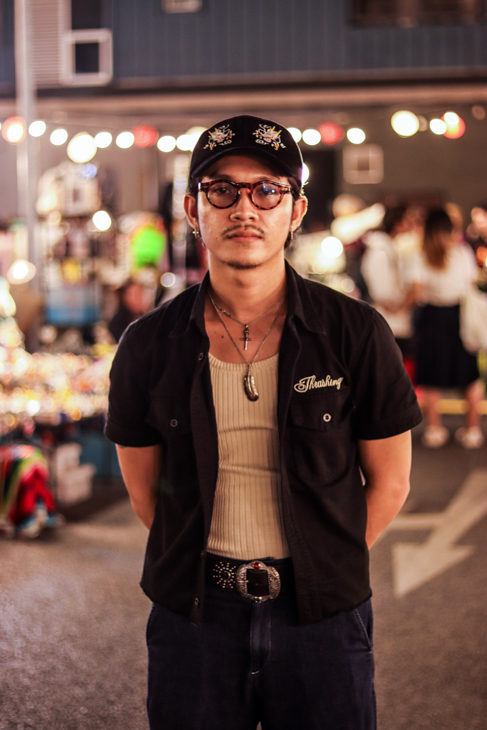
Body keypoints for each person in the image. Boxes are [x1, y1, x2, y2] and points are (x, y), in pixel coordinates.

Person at [105, 114, 422, 730]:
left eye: (267, 190)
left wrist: (321, 560)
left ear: (296, 210)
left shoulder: (354, 332)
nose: (244, 208)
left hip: (322, 617)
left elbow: (391, 481)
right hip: (194, 616)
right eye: (221, 189)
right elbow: (147, 494)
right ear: (194, 210)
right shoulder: (148, 345)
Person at [408, 207, 483, 449]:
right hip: (459, 315)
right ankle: (472, 430)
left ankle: (434, 430)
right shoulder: (461, 252)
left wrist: (400, 304)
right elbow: (472, 282)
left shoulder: (421, 255)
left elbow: (416, 292)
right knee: (469, 375)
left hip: (433, 318)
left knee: (432, 376)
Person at [361, 205, 415, 359]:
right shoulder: (380, 249)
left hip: (396, 318)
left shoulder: (389, 247)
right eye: (408, 220)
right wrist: (396, 303)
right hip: (389, 318)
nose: (411, 224)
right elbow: (380, 287)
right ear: (397, 223)